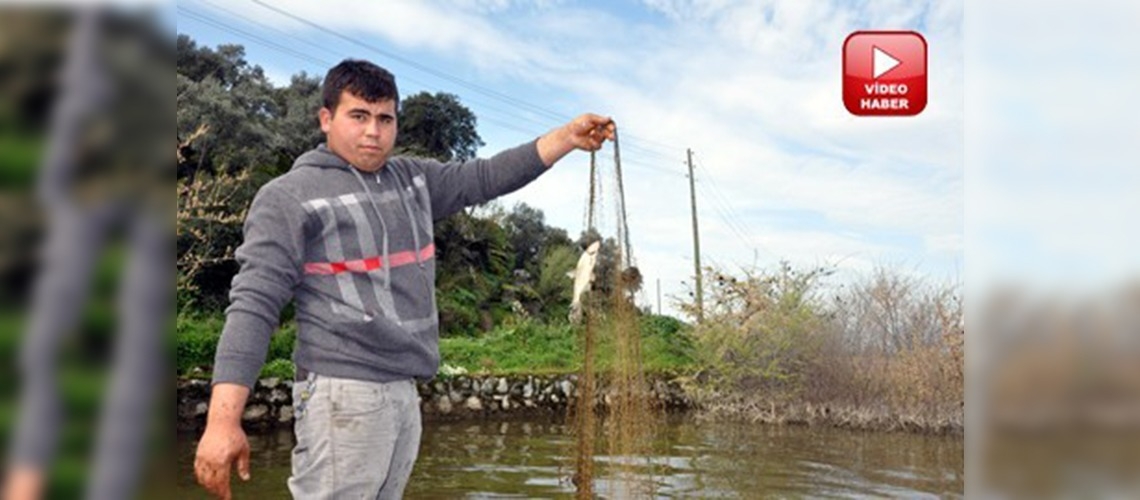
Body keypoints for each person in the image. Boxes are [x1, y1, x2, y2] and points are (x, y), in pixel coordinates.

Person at [193, 59, 614, 499]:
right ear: (325, 119)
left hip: (403, 389)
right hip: (342, 392)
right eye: (358, 116)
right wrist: (223, 421)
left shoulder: (414, 180)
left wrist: (566, 138)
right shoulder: (288, 197)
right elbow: (253, 306)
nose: (373, 131)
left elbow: (487, 176)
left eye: (384, 118)